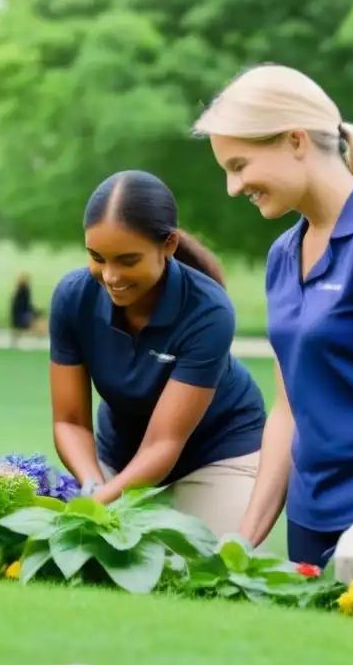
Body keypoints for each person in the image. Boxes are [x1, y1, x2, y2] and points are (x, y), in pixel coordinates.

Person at [194, 63, 353, 583]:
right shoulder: (283, 256)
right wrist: (246, 535)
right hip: (310, 524)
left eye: (240, 165)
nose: (232, 186)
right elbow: (288, 407)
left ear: (294, 140)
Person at [49, 170, 267, 538]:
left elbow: (164, 442)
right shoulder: (74, 296)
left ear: (168, 245)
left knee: (199, 573)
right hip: (120, 454)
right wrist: (91, 486)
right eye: (97, 257)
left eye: (128, 260)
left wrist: (100, 502)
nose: (111, 276)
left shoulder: (209, 311)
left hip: (216, 453)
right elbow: (69, 421)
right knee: (95, 562)